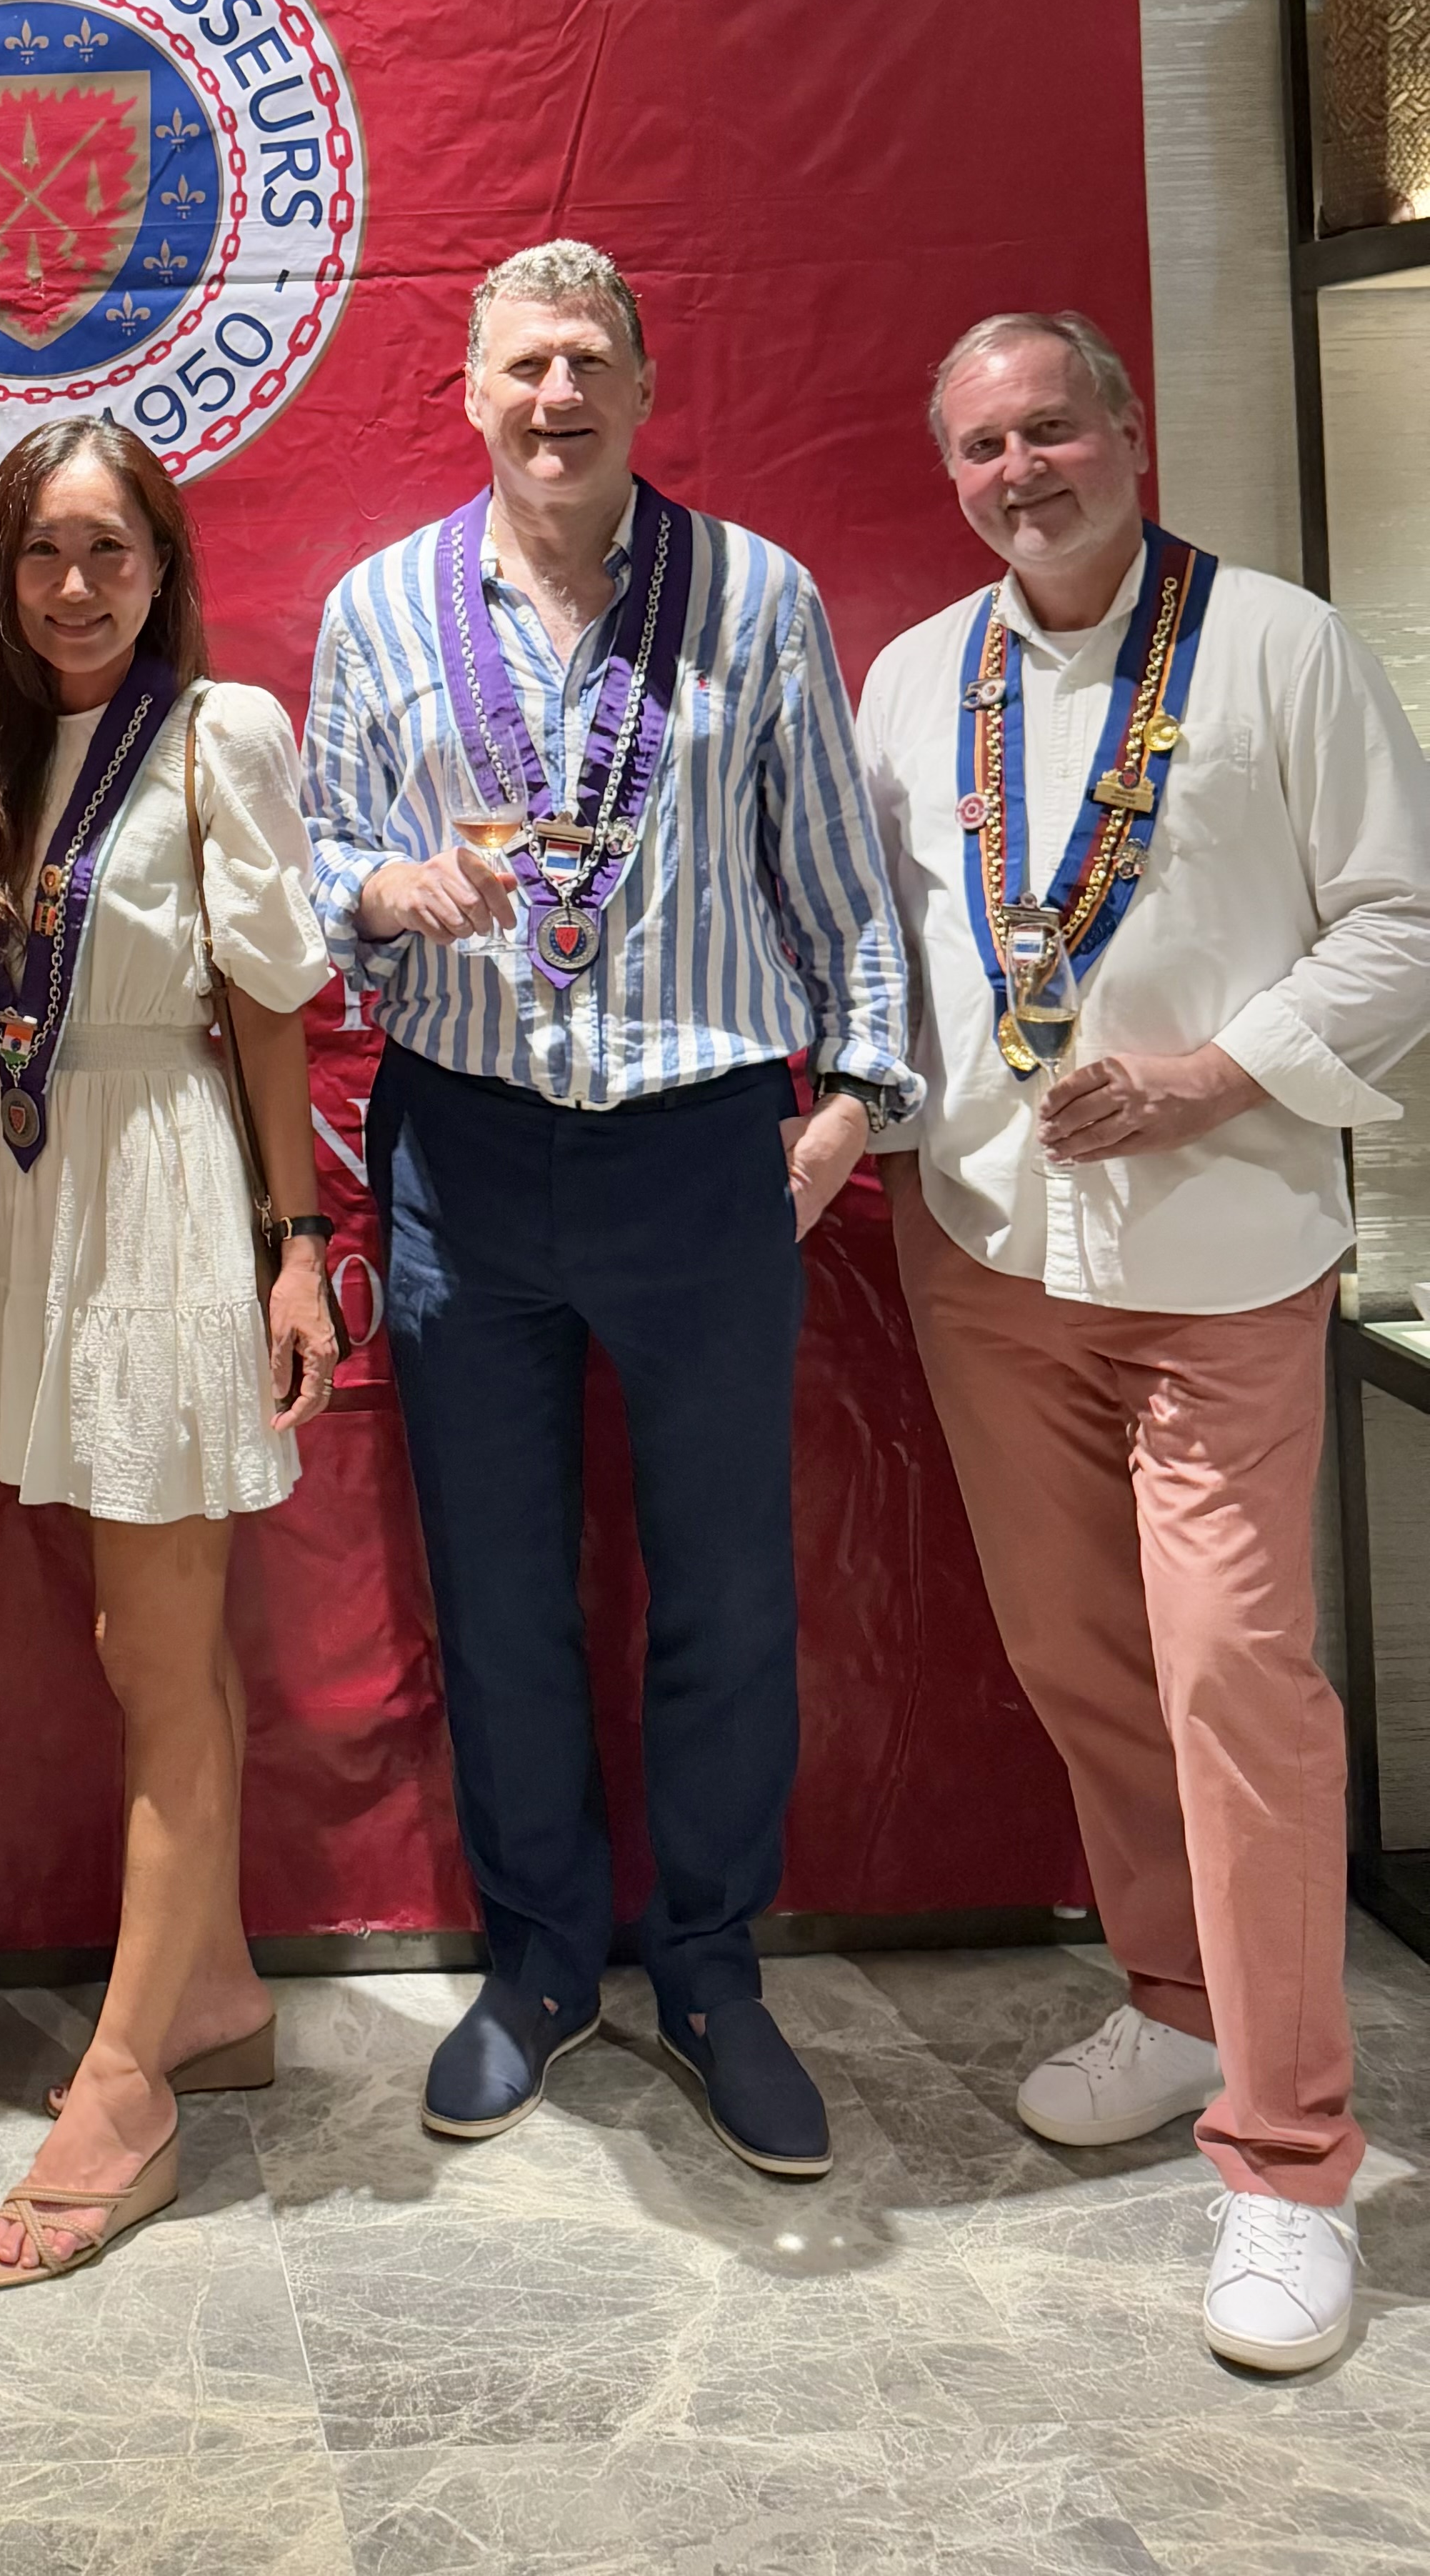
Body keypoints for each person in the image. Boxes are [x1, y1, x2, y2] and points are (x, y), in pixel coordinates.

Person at [303, 239, 913, 2182]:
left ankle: (713, 1970)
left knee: (725, 1589)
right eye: (522, 367)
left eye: (587, 363)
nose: (554, 397)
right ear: (469, 394)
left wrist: (860, 1101)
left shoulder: (754, 595)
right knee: (498, 1592)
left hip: (700, 1145)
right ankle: (541, 1962)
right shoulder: (379, 606)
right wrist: (382, 892)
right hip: (463, 1157)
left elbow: (832, 874)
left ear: (643, 390)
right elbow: (313, 858)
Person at [858, 311, 1430, 2375]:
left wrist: (1211, 1075)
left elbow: (1404, 917)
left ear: (1128, 433)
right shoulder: (912, 680)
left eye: (1051, 429)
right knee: (1083, 1664)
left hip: (1221, 1255)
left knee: (1233, 1684)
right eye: (981, 446)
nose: (1021, 471)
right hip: (989, 1252)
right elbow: (880, 954)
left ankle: (1289, 2162)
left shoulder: (1276, 645)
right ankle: (1178, 2003)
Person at [0, 417, 342, 2287]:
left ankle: (125, 2090)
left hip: (160, 1182)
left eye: (108, 550)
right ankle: (217, 1994)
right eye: (41, 552)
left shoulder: (214, 735)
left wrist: (297, 1248)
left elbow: (267, 1008)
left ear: (163, 567)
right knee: (132, 1635)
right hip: (33, 1180)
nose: (75, 586)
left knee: (160, 1654)